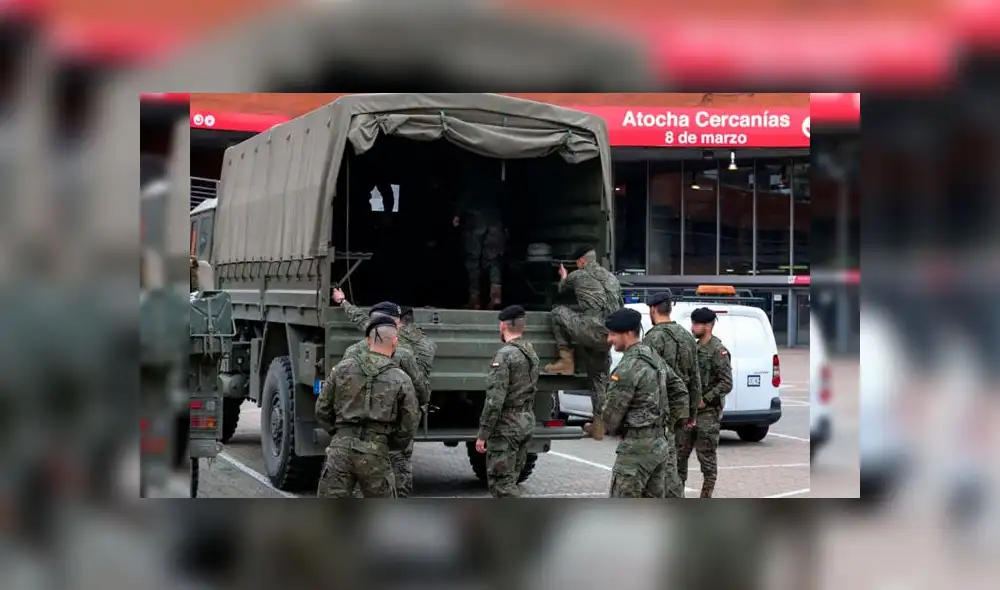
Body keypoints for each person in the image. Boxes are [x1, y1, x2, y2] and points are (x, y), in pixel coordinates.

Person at [332, 293, 430, 497]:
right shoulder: (409, 350)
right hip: (393, 427)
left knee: (362, 482)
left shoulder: (353, 351)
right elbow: (420, 391)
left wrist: (342, 301)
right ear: (398, 322)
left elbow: (334, 394)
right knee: (399, 473)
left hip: (356, 430)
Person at [314, 316, 420, 498]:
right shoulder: (401, 378)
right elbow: (409, 424)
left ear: (368, 341)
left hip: (340, 451)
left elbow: (322, 409)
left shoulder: (342, 368)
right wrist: (387, 443)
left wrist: (340, 434)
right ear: (395, 342)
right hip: (376, 453)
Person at [543, 246, 622, 441]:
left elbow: (562, 289)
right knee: (598, 379)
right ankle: (598, 427)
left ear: (580, 262)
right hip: (609, 336)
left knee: (558, 312)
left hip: (589, 331)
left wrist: (564, 275)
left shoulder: (577, 275)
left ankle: (565, 360)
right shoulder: (612, 278)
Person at [597, 308, 677, 498]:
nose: (609, 339)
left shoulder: (627, 367)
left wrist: (604, 428)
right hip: (659, 445)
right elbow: (678, 389)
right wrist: (667, 423)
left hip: (635, 450)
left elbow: (611, 416)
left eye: (613, 334)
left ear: (627, 333)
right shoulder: (653, 357)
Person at [475, 305, 539, 498]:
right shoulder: (530, 353)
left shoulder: (504, 355)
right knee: (512, 479)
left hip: (506, 425)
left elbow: (495, 399)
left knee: (502, 485)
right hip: (526, 419)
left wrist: (483, 433)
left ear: (503, 325)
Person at [643, 292, 703, 497]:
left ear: (653, 309)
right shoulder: (687, 336)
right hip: (681, 410)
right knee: (675, 461)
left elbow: (647, 378)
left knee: (657, 464)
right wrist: (693, 413)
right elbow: (696, 378)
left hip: (660, 409)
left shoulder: (652, 337)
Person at [677, 307, 733, 498]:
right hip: (689, 413)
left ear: (707, 326)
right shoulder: (694, 347)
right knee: (679, 457)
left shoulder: (719, 350)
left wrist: (706, 399)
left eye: (696, 323)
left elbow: (726, 383)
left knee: (707, 460)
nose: (692, 327)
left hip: (707, 415)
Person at [453, 181, 505, 309]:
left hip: (475, 221)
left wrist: (457, 214)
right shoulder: (497, 180)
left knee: (473, 260)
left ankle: (474, 299)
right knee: (493, 259)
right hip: (495, 221)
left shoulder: (472, 178)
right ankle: (496, 297)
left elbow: (466, 195)